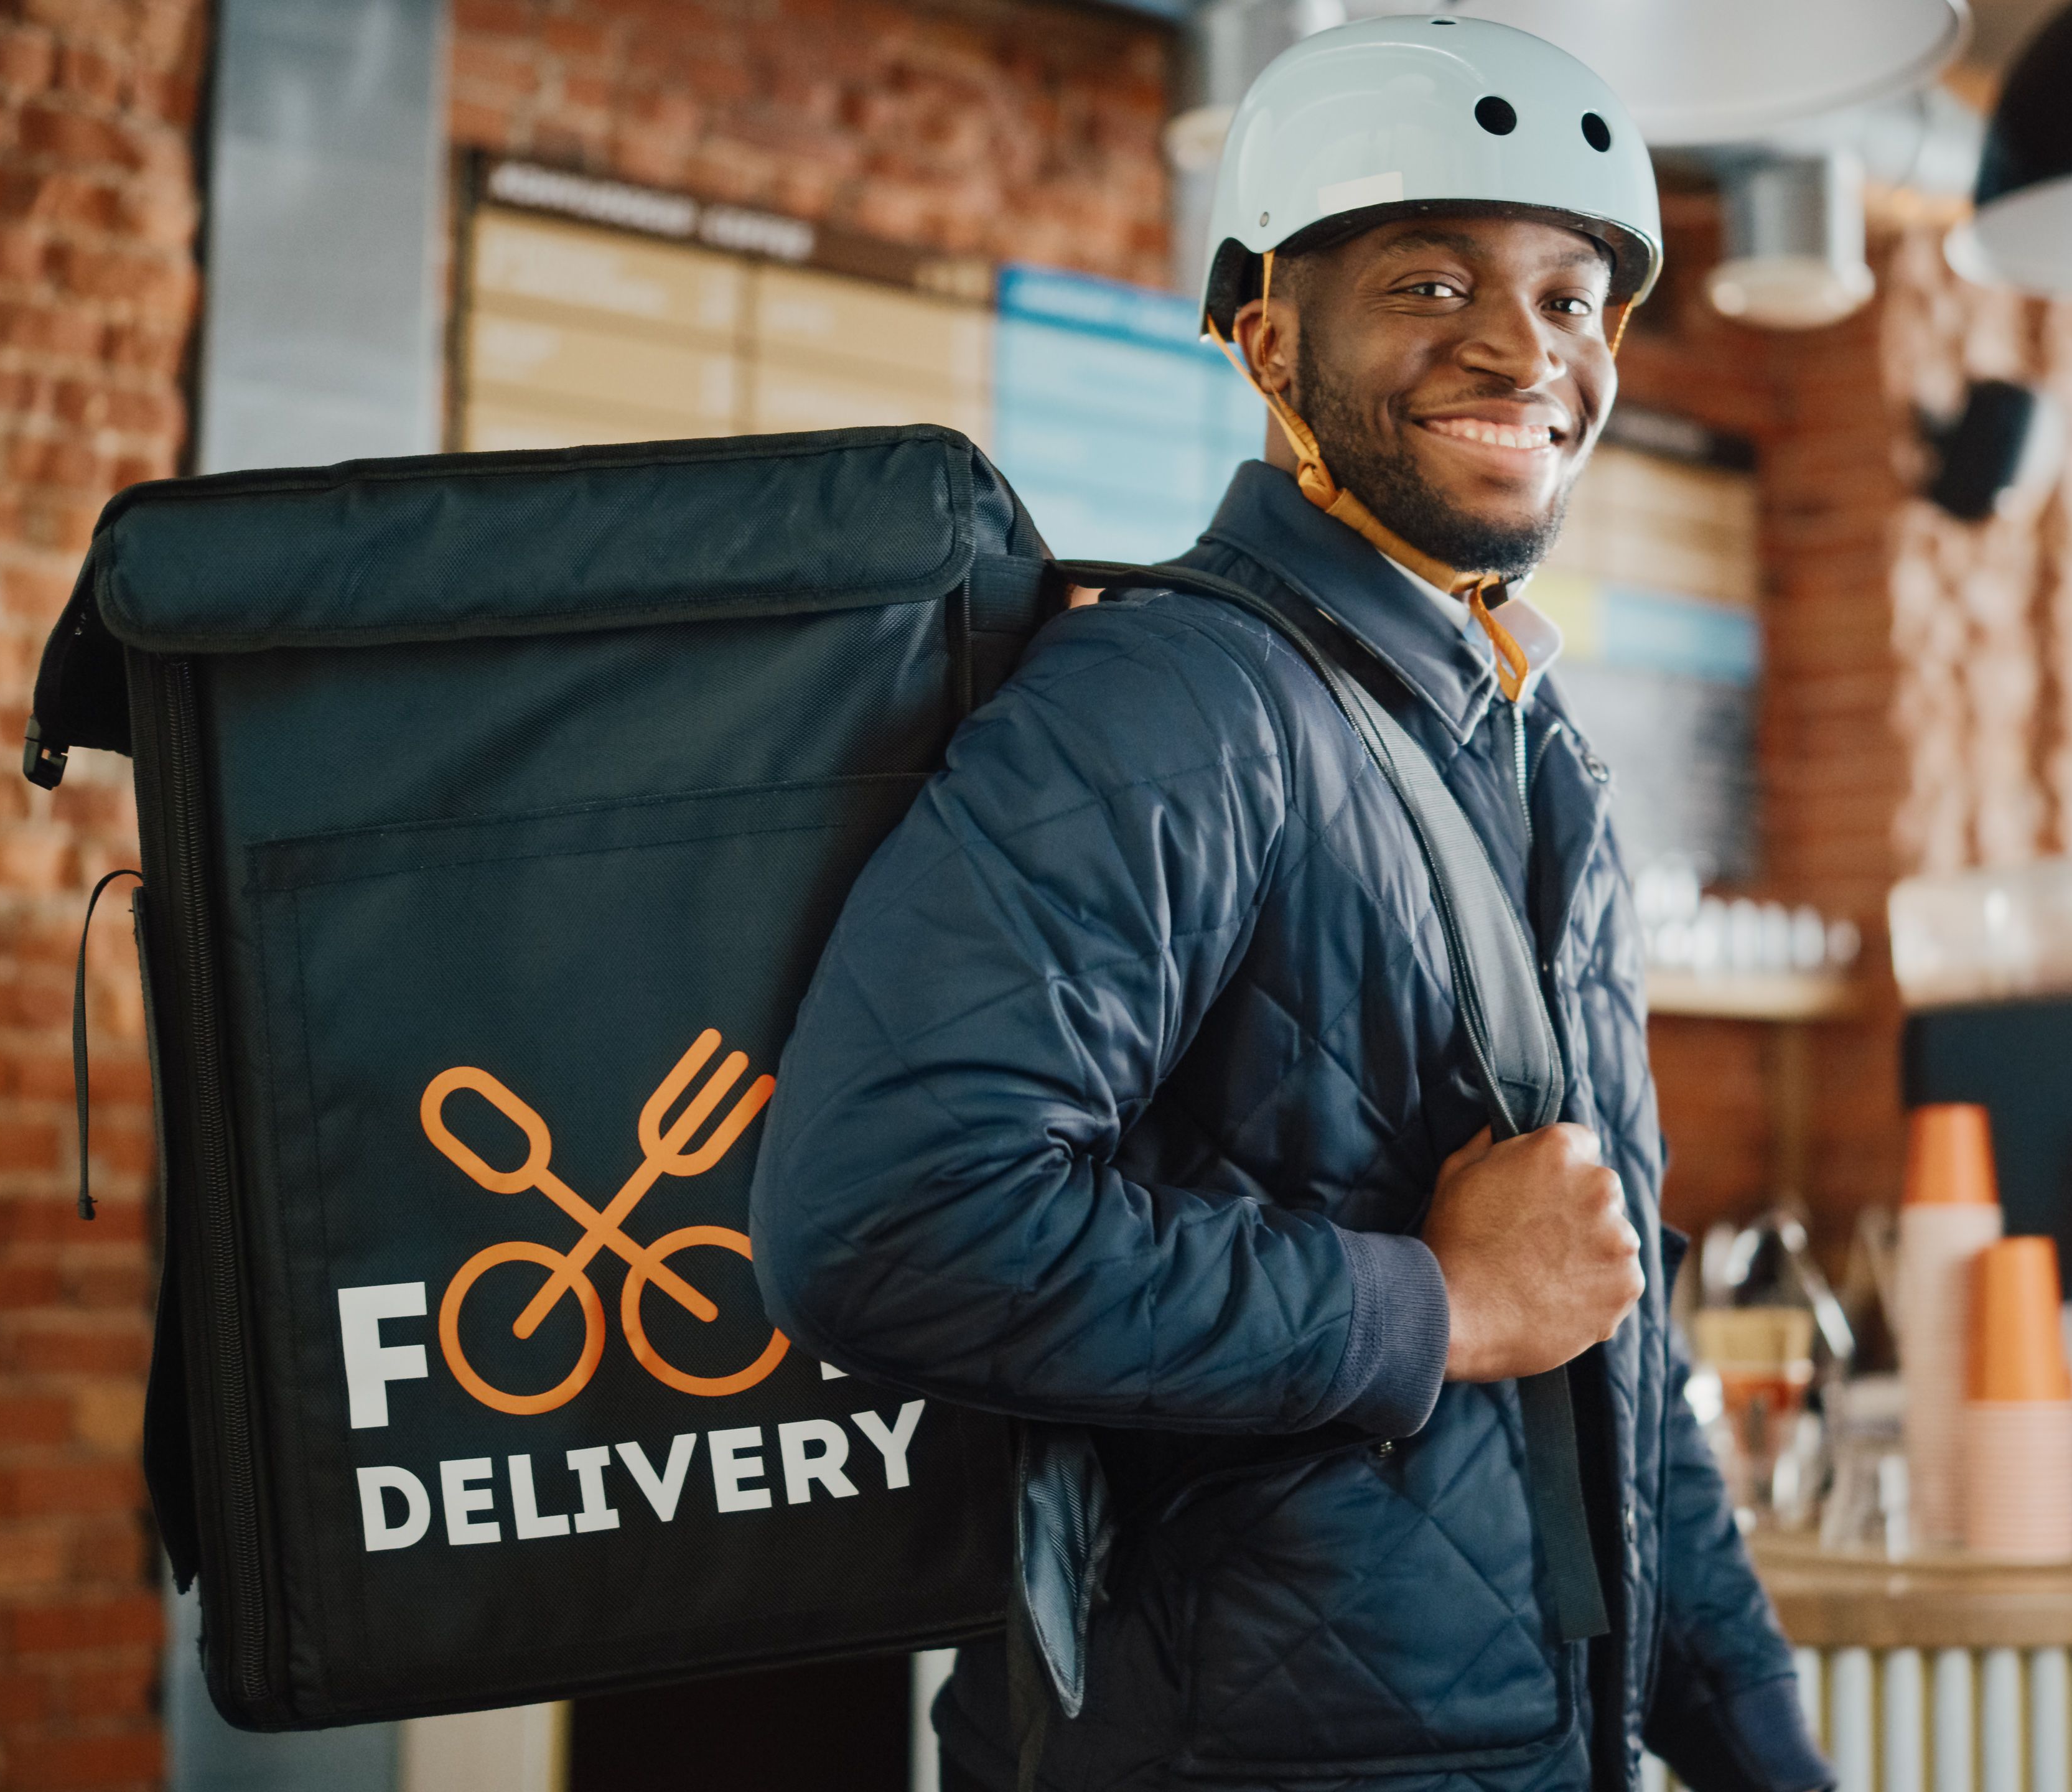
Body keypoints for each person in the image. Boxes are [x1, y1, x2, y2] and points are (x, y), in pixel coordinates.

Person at [752, 17, 1831, 1792]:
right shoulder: (1174, 704)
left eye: (1573, 297)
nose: (1521, 345)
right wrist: (1438, 1310)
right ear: (1267, 339)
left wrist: (1765, 1757)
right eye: (1429, 279)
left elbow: (1604, 1343)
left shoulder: (1537, 752)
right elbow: (882, 1224)